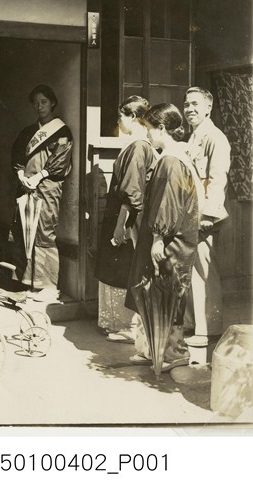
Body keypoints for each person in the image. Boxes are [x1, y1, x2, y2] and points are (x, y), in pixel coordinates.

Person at [125, 103, 202, 372]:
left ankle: (175, 352)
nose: (147, 133)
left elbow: (170, 202)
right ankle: (154, 349)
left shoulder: (171, 160)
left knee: (168, 293)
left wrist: (158, 237)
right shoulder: (172, 157)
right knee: (155, 291)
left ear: (161, 128)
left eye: (149, 128)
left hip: (171, 240)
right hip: (167, 236)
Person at [94, 96, 156, 345]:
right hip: (122, 214)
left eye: (122, 115)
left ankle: (127, 326)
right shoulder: (135, 145)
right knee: (117, 266)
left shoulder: (139, 146)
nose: (119, 120)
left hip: (127, 217)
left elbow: (132, 192)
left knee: (123, 268)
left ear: (133, 117)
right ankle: (119, 323)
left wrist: (121, 225)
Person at [10, 84, 73, 303]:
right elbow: (17, 156)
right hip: (25, 187)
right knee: (25, 231)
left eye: (43, 102)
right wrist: (21, 175)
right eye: (36, 103)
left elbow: (61, 160)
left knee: (44, 233)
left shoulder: (62, 132)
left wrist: (38, 177)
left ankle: (48, 286)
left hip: (47, 188)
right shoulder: (28, 132)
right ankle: (29, 283)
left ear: (52, 102)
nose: (39, 106)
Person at [182, 87, 231, 346]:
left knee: (204, 271)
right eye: (186, 104)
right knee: (192, 271)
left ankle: (208, 330)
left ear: (208, 108)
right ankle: (193, 324)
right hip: (190, 214)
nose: (189, 109)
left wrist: (209, 215)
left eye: (195, 104)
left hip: (204, 216)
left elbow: (217, 179)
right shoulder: (193, 137)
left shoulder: (215, 138)